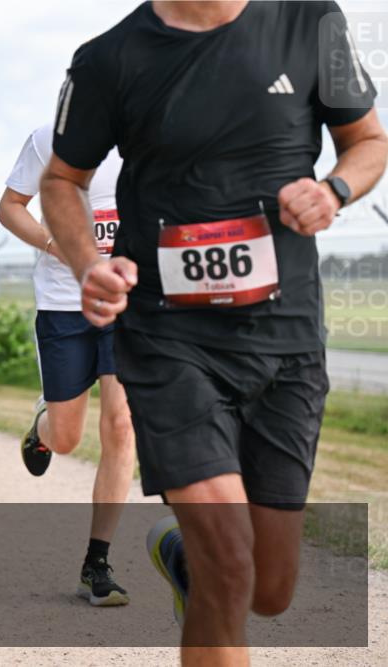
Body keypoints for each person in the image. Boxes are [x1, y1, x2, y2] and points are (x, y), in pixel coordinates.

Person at [42, 1, 386, 663]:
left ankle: (180, 552)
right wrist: (89, 262)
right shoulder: (107, 58)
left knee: (269, 588)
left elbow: (370, 141)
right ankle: (204, 555)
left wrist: (335, 189)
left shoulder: (310, 21)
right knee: (230, 559)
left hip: (285, 339)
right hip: (168, 338)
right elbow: (61, 180)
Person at [0, 123, 135, 606]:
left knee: (121, 424)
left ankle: (96, 562)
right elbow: (9, 207)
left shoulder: (156, 131)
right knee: (68, 437)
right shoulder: (47, 138)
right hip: (64, 303)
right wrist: (54, 243)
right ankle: (43, 427)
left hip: (129, 302)